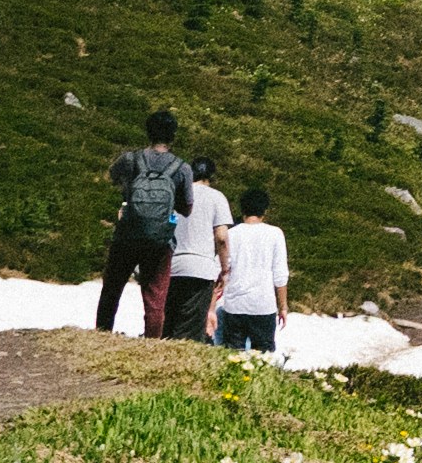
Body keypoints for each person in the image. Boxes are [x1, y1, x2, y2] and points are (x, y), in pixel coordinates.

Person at [96, 110, 192, 337]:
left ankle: (101, 334)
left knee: (112, 289)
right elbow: (187, 208)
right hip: (160, 240)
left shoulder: (130, 159)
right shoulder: (182, 168)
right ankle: (151, 342)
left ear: (148, 132)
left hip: (127, 234)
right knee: (155, 297)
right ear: (173, 136)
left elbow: (110, 177)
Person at [164, 153, 232, 341]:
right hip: (201, 269)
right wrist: (225, 269)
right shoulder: (217, 197)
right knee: (190, 329)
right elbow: (221, 238)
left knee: (169, 321)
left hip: (172, 265)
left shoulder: (176, 194)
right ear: (211, 176)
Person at [214, 185, 290, 352]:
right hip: (263, 305)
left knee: (233, 357)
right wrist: (283, 306)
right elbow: (280, 274)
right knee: (262, 359)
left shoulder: (231, 234)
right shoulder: (275, 233)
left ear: (243, 210)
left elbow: (219, 271)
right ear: (265, 210)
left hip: (234, 306)